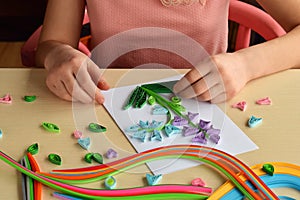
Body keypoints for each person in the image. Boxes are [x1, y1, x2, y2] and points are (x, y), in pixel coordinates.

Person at [36, 0, 300, 104]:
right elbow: (51, 43)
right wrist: (57, 54)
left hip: (207, 102)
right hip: (105, 103)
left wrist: (246, 64)